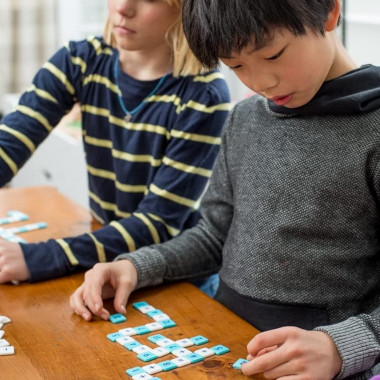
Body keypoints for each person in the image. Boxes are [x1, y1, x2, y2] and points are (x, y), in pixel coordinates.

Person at [70, 0, 380, 378]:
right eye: (235, 66)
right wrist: (136, 266)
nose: (261, 82)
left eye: (272, 54)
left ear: (330, 12)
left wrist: (343, 345)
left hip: (317, 364)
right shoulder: (245, 119)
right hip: (223, 342)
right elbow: (213, 235)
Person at [0, 0, 231, 285]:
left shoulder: (204, 95)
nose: (123, 8)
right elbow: (9, 144)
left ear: (185, 9)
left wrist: (43, 257)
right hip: (102, 257)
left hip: (168, 274)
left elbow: (157, 223)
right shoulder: (79, 60)